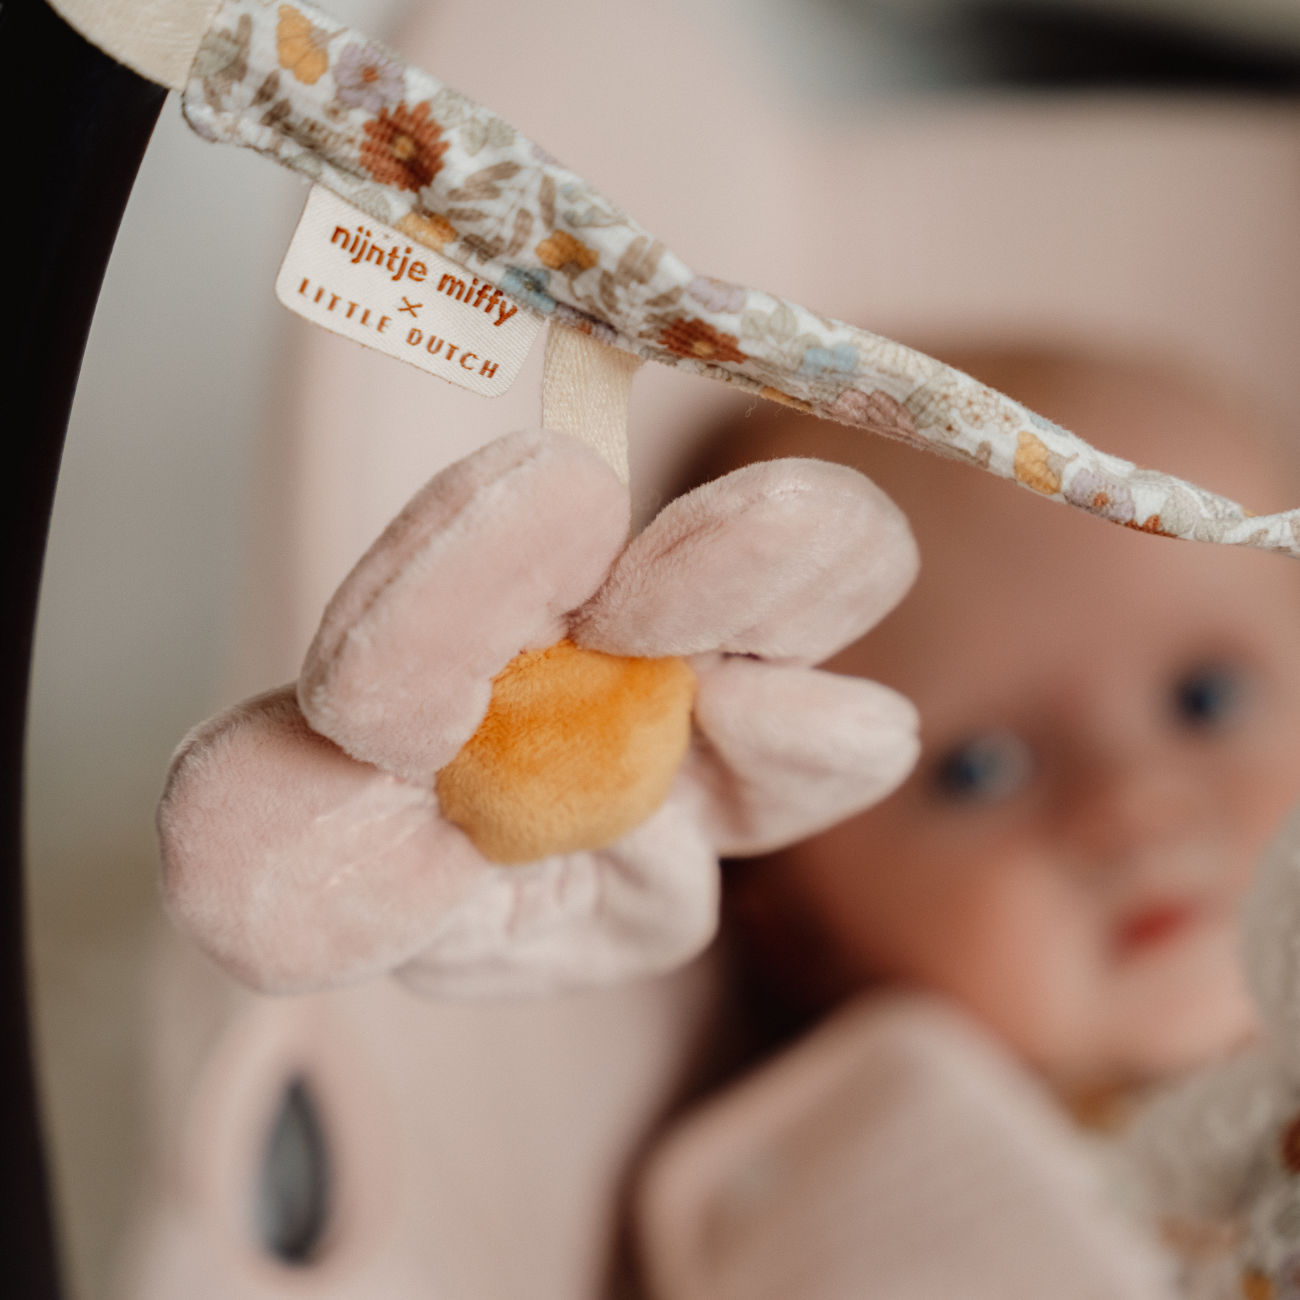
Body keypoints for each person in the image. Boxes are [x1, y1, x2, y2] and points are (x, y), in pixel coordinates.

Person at [633, 345, 1300, 1300]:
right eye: (979, 770)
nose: (1132, 806)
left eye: (1207, 698)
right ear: (792, 916)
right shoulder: (888, 1181)